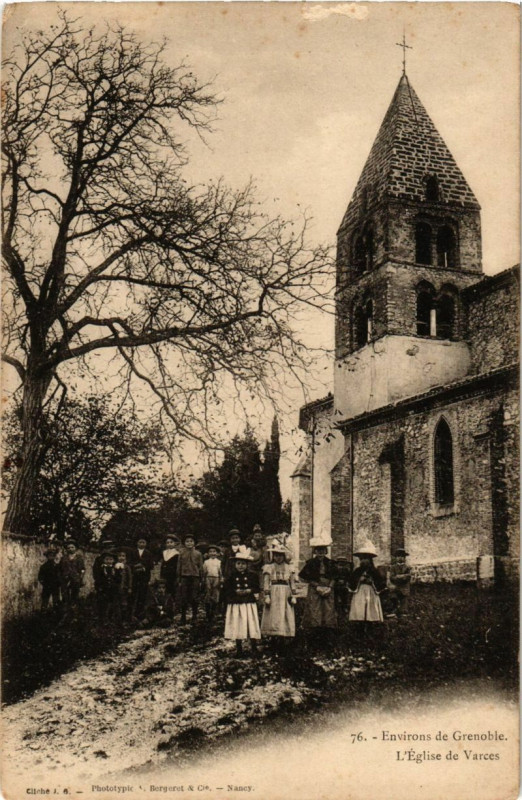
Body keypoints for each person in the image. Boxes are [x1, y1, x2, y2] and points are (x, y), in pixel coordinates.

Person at [223, 546, 261, 657]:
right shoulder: (231, 576)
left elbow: (257, 588)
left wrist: (250, 590)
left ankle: (254, 647)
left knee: (251, 623)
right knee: (238, 624)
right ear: (235, 564)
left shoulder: (252, 576)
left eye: (243, 564)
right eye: (238, 564)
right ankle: (239, 649)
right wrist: (235, 592)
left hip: (248, 602)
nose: (241, 566)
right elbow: (227, 589)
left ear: (247, 565)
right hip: (236, 603)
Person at [298, 538, 337, 644]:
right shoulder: (310, 563)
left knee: (328, 612)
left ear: (326, 551)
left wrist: (329, 587)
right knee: (315, 612)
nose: (320, 553)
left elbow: (335, 577)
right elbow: (304, 577)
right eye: (318, 550)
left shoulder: (331, 563)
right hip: (315, 589)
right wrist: (316, 586)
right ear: (315, 551)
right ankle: (315, 641)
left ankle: (327, 640)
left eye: (322, 550)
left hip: (328, 589)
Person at [261, 542, 297, 647]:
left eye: (280, 555)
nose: (278, 558)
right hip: (274, 592)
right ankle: (273, 639)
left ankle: (283, 640)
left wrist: (293, 596)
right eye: (276, 555)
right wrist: (267, 596)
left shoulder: (289, 568)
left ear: (284, 556)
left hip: (285, 593)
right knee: (273, 614)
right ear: (273, 556)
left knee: (285, 613)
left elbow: (292, 583)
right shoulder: (269, 567)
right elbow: (266, 582)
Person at [348, 540, 386, 624]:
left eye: (365, 559)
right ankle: (359, 623)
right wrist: (359, 580)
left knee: (371, 609)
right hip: (360, 591)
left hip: (371, 591)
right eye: (361, 559)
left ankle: (371, 623)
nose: (363, 561)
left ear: (370, 560)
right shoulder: (357, 571)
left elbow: (381, 583)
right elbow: (351, 581)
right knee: (359, 609)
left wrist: (371, 582)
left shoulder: (374, 571)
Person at [177, 534, 204, 624]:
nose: (189, 543)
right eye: (187, 541)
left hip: (195, 577)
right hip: (184, 577)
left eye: (191, 541)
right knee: (184, 597)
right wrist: (179, 578)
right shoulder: (181, 553)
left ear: (194, 543)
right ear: (184, 543)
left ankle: (194, 616)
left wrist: (201, 579)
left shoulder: (198, 554)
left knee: (194, 597)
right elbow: (179, 566)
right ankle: (183, 617)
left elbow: (200, 567)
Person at [129, 536, 155, 619]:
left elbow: (151, 565)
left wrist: (144, 567)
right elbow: (129, 563)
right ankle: (131, 614)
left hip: (144, 577)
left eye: (143, 542)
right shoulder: (133, 552)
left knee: (142, 595)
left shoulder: (148, 553)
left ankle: (140, 613)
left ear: (146, 544)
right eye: (140, 542)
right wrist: (135, 567)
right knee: (133, 594)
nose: (141, 544)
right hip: (134, 577)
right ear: (137, 543)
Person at [94, 551, 119, 623]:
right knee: (102, 603)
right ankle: (101, 618)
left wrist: (115, 586)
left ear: (113, 561)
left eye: (110, 560)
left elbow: (118, 579)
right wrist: (99, 587)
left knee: (111, 603)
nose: (109, 561)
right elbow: (98, 578)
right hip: (103, 589)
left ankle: (110, 618)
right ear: (103, 560)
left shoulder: (115, 569)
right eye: (107, 559)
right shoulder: (101, 569)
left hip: (112, 589)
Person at [60, 540, 85, 607]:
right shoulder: (63, 558)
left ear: (75, 548)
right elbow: (60, 568)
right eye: (68, 548)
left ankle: (74, 611)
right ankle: (66, 610)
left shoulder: (79, 558)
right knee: (65, 595)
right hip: (65, 579)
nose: (70, 549)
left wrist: (81, 578)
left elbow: (82, 569)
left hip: (75, 579)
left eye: (72, 547)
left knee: (74, 595)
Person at [202, 544, 223, 623]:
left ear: (217, 553)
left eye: (214, 551)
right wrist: (203, 580)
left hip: (216, 578)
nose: (212, 553)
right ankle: (207, 613)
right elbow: (204, 572)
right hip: (208, 578)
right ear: (208, 553)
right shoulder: (206, 562)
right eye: (210, 551)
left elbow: (220, 572)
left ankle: (213, 613)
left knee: (215, 595)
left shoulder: (219, 562)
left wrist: (221, 580)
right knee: (208, 594)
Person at [388, 548, 412, 617]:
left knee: (403, 600)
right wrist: (399, 577)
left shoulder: (407, 567)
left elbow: (408, 577)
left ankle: (403, 611)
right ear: (396, 558)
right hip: (395, 587)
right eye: (398, 556)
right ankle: (394, 610)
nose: (400, 558)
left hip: (404, 588)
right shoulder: (393, 567)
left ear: (404, 558)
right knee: (394, 598)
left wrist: (400, 576)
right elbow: (392, 577)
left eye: (402, 556)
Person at [114, 549, 133, 624]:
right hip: (116, 588)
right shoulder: (115, 566)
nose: (121, 558)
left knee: (124, 603)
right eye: (119, 556)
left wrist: (129, 587)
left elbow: (130, 578)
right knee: (116, 603)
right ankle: (116, 619)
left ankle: (124, 620)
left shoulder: (127, 567)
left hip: (124, 588)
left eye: (123, 556)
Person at [160, 535, 180, 602]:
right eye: (167, 542)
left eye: (171, 542)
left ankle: (173, 604)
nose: (169, 544)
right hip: (164, 573)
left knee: (172, 589)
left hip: (172, 574)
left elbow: (177, 565)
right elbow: (163, 564)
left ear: (174, 543)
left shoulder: (176, 553)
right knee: (165, 588)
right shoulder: (164, 552)